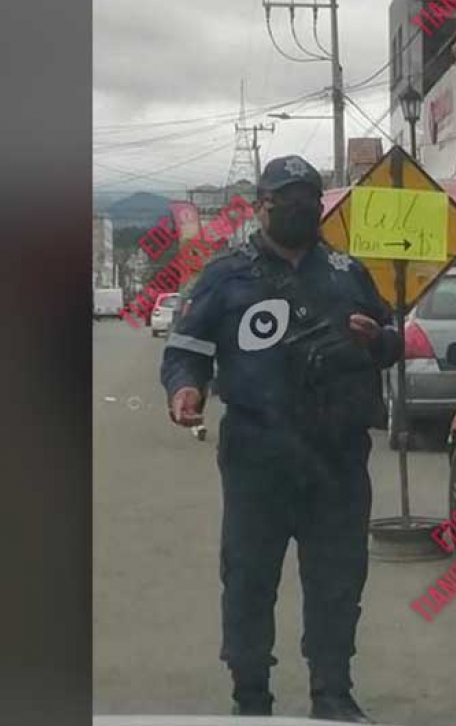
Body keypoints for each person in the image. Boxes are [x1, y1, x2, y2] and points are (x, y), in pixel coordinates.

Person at [160, 155, 401, 721]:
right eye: (283, 198)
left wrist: (378, 342)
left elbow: (392, 341)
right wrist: (184, 389)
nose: (296, 208)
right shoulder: (226, 273)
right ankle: (251, 698)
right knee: (248, 579)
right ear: (261, 206)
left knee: (337, 581)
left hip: (337, 458)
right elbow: (186, 350)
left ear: (320, 207)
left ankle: (333, 692)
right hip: (257, 456)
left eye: (306, 199)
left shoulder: (348, 272)